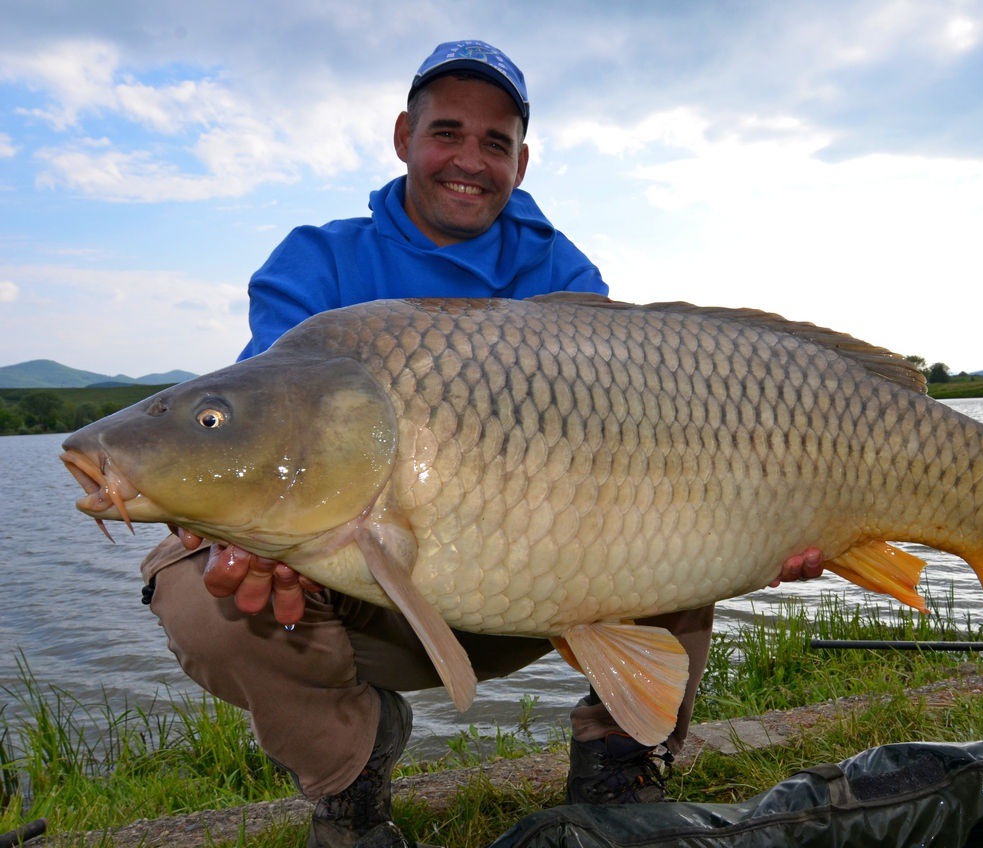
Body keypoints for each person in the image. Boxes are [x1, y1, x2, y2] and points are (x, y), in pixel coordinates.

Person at [140, 40, 824, 848]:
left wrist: (788, 516)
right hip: (361, 577)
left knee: (670, 499)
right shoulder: (317, 263)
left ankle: (621, 751)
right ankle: (349, 771)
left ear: (521, 162)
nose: (469, 160)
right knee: (199, 589)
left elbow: (626, 435)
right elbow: (271, 429)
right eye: (447, 133)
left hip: (536, 574)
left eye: (494, 143)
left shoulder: (560, 273)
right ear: (404, 137)